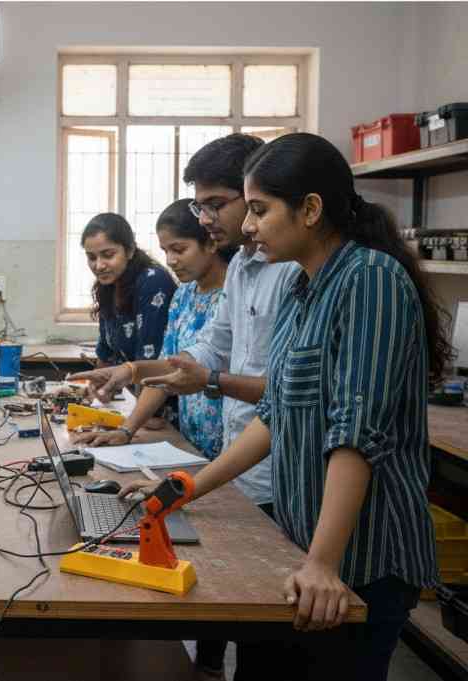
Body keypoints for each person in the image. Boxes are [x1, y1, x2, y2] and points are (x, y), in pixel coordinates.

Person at [128, 133, 449, 681]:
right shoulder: (306, 288)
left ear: (311, 210)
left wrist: (323, 564)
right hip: (302, 548)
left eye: (259, 210)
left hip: (361, 558)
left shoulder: (370, 280)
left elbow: (356, 432)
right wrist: (181, 488)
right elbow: (275, 415)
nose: (247, 227)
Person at [70, 134, 296, 680]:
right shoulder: (245, 266)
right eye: (202, 206)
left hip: (276, 468)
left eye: (216, 205)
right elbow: (201, 354)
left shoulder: (296, 271)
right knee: (244, 612)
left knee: (272, 633)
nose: (209, 219)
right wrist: (132, 371)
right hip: (232, 463)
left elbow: (291, 393)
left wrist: (205, 381)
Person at [72, 199, 233, 467]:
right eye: (165, 250)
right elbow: (167, 367)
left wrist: (132, 373)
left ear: (211, 242)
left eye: (179, 249)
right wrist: (127, 430)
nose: (170, 260)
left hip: (231, 441)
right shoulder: (184, 295)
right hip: (192, 439)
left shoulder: (233, 291)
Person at [83, 213, 177, 370]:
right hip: (129, 388)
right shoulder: (108, 285)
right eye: (92, 257)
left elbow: (149, 363)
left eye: (108, 255)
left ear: (130, 251)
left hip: (156, 388)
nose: (99, 265)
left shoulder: (153, 281)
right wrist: (95, 388)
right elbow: (105, 354)